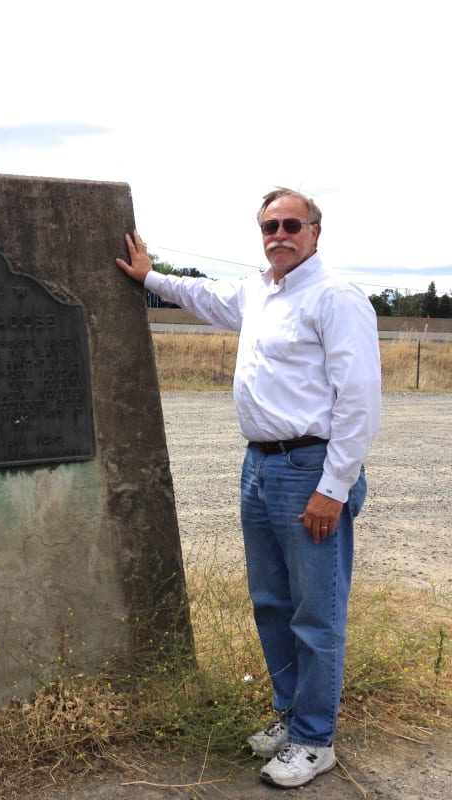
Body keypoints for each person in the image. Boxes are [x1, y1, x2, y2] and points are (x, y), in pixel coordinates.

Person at [115, 188, 381, 788]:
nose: (279, 234)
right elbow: (203, 294)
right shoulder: (260, 291)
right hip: (260, 468)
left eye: (291, 224)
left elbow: (360, 402)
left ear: (315, 231)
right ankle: (290, 717)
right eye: (269, 226)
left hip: (310, 471)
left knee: (317, 612)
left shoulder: (335, 297)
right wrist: (150, 276)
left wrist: (333, 488)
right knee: (272, 604)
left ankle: (316, 740)